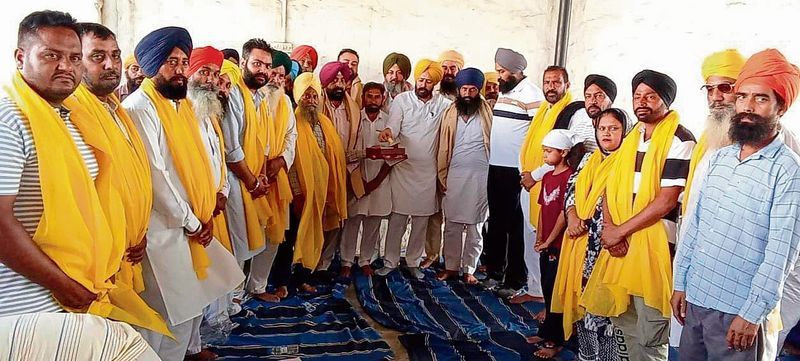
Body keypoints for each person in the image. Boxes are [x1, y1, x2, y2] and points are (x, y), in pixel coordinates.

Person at [0, 11, 167, 357]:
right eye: (51, 55)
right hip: (26, 301)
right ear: (20, 57)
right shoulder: (10, 118)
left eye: (74, 57)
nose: (66, 66)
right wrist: (62, 285)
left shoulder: (67, 119)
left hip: (74, 288)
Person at [123, 26, 244, 359]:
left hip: (192, 223)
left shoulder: (181, 106)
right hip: (162, 228)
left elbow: (207, 160)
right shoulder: (139, 108)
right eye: (171, 61)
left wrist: (208, 204)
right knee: (162, 313)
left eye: (182, 61)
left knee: (189, 304)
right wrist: (192, 221)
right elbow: (156, 177)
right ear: (151, 65)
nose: (179, 69)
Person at [673, 48, 800, 361]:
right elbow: (696, 225)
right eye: (742, 96)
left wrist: (752, 313)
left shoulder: (788, 171)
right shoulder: (719, 158)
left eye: (760, 98)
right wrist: (680, 284)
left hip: (738, 311)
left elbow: (780, 254)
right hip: (697, 299)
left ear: (780, 106)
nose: (747, 106)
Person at [582, 70, 695, 361]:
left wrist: (620, 231)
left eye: (651, 96)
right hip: (620, 243)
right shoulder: (632, 137)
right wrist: (609, 228)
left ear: (666, 101)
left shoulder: (679, 139)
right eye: (637, 96)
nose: (642, 101)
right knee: (624, 324)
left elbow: (666, 200)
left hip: (653, 250)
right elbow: (610, 185)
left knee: (649, 332)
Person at [555, 108, 631, 361]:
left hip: (613, 247)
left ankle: (608, 358)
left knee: (608, 309)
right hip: (582, 244)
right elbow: (571, 190)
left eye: (614, 128)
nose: (607, 133)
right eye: (602, 128)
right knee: (584, 305)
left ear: (625, 131)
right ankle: (587, 355)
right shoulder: (589, 159)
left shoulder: (631, 162)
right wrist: (573, 216)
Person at [270, 73, 348, 294]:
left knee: (314, 235)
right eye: (306, 96)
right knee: (289, 239)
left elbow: (334, 158)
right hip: (299, 193)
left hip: (320, 193)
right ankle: (283, 282)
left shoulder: (325, 122)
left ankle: (304, 277)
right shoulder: (292, 121)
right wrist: (297, 193)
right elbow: (291, 161)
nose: (311, 100)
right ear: (297, 97)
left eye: (314, 96)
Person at [376, 59, 451, 279]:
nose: (423, 84)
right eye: (421, 80)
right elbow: (393, 125)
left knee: (421, 220)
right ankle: (390, 261)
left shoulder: (444, 105)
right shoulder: (402, 100)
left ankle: (413, 261)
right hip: (403, 168)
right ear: (415, 79)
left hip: (428, 172)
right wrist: (387, 132)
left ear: (435, 84)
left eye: (428, 81)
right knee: (397, 218)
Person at [220, 39, 280, 303]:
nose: (263, 71)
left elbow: (263, 142)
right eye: (257, 64)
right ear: (243, 63)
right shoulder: (234, 94)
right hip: (236, 181)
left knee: (250, 239)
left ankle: (237, 298)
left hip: (253, 177)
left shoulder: (260, 96)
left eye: (267, 66)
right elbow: (232, 150)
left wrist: (262, 174)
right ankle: (228, 304)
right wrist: (253, 182)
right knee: (236, 244)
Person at [185, 45, 234, 361]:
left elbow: (220, 159)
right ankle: (188, 349)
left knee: (204, 280)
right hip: (189, 214)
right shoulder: (180, 112)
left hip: (211, 207)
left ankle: (194, 344)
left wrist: (222, 192)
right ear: (188, 73)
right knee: (190, 284)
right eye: (204, 71)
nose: (210, 80)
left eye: (215, 74)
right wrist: (194, 212)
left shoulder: (209, 111)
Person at [483, 48, 544, 299]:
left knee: (514, 227)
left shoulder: (532, 95)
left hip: (515, 171)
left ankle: (514, 278)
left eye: (502, 71)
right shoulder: (505, 92)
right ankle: (494, 272)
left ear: (517, 71)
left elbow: (537, 134)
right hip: (496, 165)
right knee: (496, 222)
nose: (499, 76)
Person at [512, 65, 574, 304]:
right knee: (530, 237)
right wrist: (525, 173)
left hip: (548, 184)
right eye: (547, 82)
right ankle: (534, 288)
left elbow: (561, 152)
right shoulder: (543, 110)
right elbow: (531, 144)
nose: (551, 87)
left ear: (566, 85)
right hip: (531, 183)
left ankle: (548, 298)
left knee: (546, 241)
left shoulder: (568, 112)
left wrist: (535, 175)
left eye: (556, 82)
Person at [528, 129, 584, 359]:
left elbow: (564, 213)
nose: (544, 155)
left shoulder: (569, 177)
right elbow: (543, 208)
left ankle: (556, 339)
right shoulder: (549, 176)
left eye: (548, 151)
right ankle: (546, 331)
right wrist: (540, 237)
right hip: (547, 243)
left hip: (560, 244)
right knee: (548, 288)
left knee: (557, 291)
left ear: (563, 153)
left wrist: (550, 240)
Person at [436, 68, 492, 284]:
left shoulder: (489, 113)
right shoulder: (449, 113)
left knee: (476, 226)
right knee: (452, 225)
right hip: (455, 174)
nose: (468, 93)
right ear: (458, 90)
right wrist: (441, 176)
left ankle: (469, 269)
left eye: (472, 89)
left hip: (481, 176)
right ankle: (450, 267)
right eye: (464, 89)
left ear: (478, 91)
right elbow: (442, 146)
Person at [338, 82, 394, 278]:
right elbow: (345, 151)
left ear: (383, 99)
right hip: (355, 179)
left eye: (377, 97)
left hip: (380, 181)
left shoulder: (388, 122)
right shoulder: (353, 120)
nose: (373, 100)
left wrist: (376, 181)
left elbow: (393, 156)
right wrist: (359, 180)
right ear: (363, 98)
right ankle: (346, 261)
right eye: (369, 96)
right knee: (352, 222)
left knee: (373, 223)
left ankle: (365, 260)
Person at [258, 49, 299, 299]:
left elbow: (290, 136)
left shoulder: (285, 102)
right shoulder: (254, 99)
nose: (275, 79)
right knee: (251, 232)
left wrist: (282, 159)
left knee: (275, 233)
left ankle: (259, 285)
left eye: (281, 76)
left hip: (278, 176)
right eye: (272, 73)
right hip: (253, 176)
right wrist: (263, 165)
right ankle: (240, 290)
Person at [315, 61, 361, 276]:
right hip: (319, 172)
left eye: (342, 80)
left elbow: (355, 142)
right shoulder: (315, 107)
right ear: (325, 83)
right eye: (334, 80)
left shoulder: (352, 109)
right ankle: (309, 264)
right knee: (317, 218)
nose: (339, 84)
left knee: (336, 219)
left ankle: (324, 264)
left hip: (343, 172)